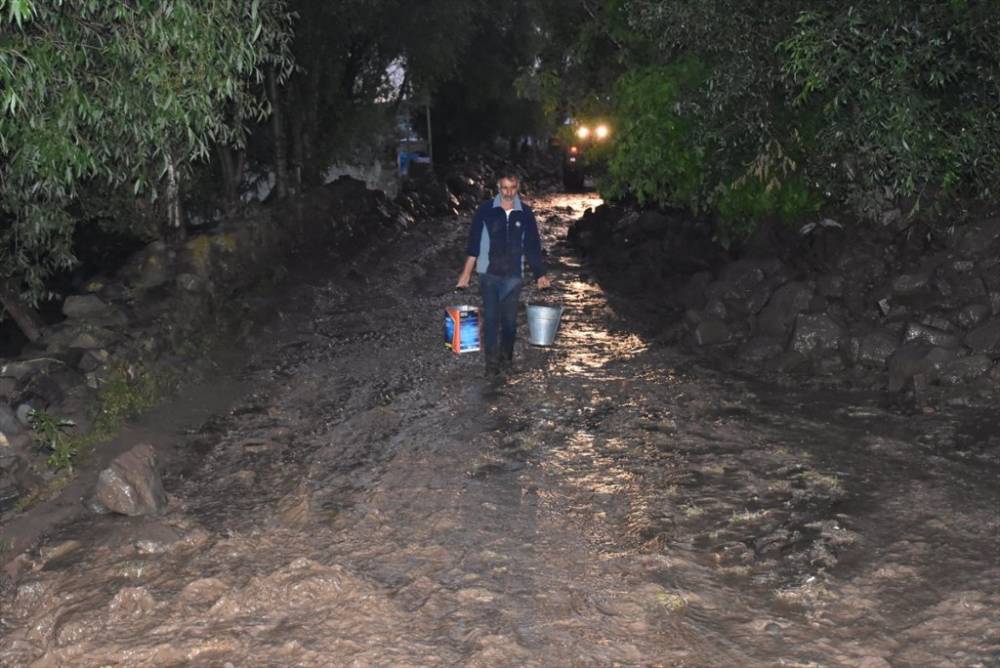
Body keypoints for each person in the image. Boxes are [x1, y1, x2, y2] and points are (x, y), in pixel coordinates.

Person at [456, 172, 550, 377]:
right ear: (498, 188)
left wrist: (539, 274)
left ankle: (506, 358)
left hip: (514, 276)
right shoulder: (485, 211)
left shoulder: (525, 213)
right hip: (488, 274)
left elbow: (532, 246)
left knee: (509, 323)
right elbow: (473, 244)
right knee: (491, 319)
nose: (508, 193)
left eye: (512, 188)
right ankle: (491, 365)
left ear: (518, 188)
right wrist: (466, 274)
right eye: (504, 188)